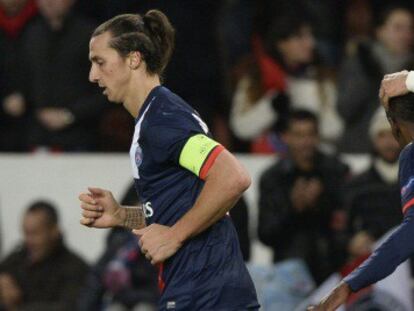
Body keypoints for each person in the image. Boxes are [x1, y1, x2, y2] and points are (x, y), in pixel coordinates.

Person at [78, 10, 259, 310]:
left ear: (133, 59)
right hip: (201, 288)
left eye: (99, 62)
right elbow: (176, 208)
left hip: (205, 291)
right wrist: (123, 215)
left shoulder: (163, 120)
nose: (92, 75)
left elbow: (233, 177)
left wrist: (175, 235)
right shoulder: (155, 116)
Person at [308, 89, 414, 310]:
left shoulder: (409, 157)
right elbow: (339, 231)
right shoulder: (357, 185)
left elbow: (408, 233)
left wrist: (348, 285)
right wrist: (350, 243)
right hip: (373, 262)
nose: (390, 140)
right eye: (381, 134)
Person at [257, 109, 349, 285]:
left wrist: (320, 202)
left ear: (317, 136)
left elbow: (346, 224)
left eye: (310, 134)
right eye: (298, 135)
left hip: (333, 274)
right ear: (285, 137)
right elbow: (265, 234)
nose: (305, 142)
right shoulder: (272, 178)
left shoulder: (337, 171)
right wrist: (294, 207)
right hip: (288, 277)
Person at [337, 5, 414, 153]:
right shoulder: (359, 62)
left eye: (410, 28)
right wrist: (372, 74)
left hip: (403, 153)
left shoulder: (412, 73)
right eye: (398, 28)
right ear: (380, 31)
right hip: (359, 150)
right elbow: (345, 108)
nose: (406, 34)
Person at [0, 201, 89, 310]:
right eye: (26, 233)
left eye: (35, 233)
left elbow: (68, 307)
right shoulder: (17, 258)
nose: (28, 240)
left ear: (54, 231)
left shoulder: (75, 268)